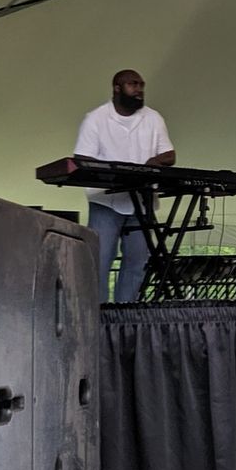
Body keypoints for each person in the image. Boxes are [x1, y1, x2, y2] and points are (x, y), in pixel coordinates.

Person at [75, 69, 175, 303]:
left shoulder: (153, 118)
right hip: (105, 202)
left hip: (141, 201)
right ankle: (98, 317)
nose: (139, 89)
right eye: (133, 84)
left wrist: (155, 161)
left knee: (137, 263)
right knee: (99, 262)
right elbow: (82, 159)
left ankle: (126, 315)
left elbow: (169, 154)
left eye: (141, 84)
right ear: (117, 88)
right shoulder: (96, 119)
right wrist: (115, 173)